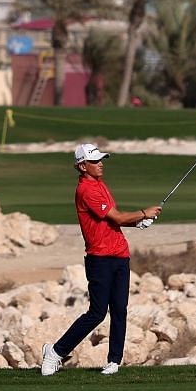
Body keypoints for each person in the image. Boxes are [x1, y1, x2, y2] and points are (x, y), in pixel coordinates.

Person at [41, 143, 159, 376]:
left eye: (101, 159)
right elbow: (116, 215)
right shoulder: (86, 190)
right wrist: (143, 213)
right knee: (97, 313)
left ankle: (114, 361)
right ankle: (55, 352)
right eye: (95, 161)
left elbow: (114, 221)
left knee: (119, 310)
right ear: (82, 166)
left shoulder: (100, 185)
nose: (101, 164)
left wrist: (137, 222)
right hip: (99, 258)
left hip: (119, 255)